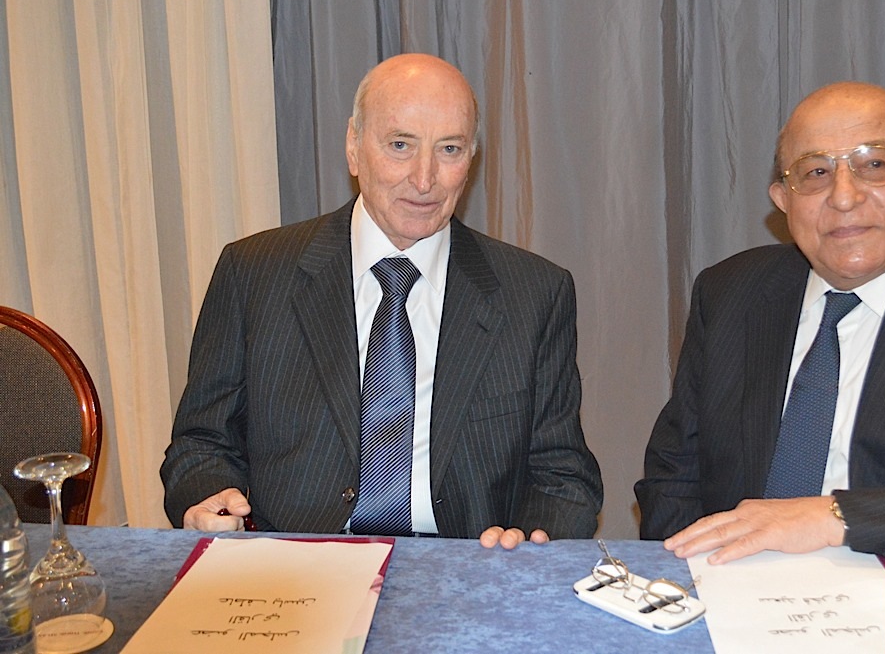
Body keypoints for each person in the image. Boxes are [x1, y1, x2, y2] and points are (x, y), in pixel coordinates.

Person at [161, 53, 602, 549]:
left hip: (467, 565)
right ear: (354, 147)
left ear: (471, 160)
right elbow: (200, 443)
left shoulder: (534, 293)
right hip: (296, 563)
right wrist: (209, 495)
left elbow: (564, 478)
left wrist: (528, 537)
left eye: (449, 149)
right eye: (400, 145)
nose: (424, 179)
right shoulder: (254, 273)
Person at [635, 81, 885, 567]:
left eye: (874, 165)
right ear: (782, 199)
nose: (843, 197)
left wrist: (837, 516)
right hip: (729, 580)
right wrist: (686, 574)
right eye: (816, 172)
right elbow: (674, 474)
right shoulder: (731, 292)